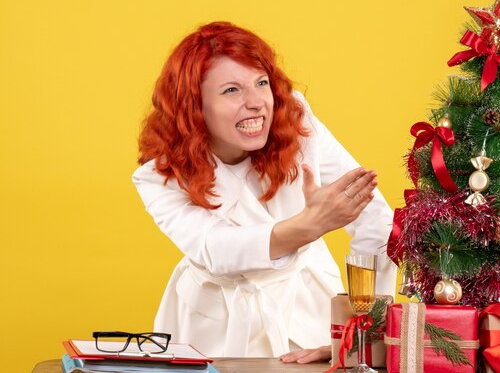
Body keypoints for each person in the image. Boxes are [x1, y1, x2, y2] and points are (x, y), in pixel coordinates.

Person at [132, 22, 396, 363]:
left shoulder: (296, 122)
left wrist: (360, 335)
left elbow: (375, 217)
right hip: (211, 329)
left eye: (261, 83)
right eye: (231, 90)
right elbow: (215, 249)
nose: (256, 102)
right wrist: (309, 226)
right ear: (193, 106)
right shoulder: (158, 176)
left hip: (312, 310)